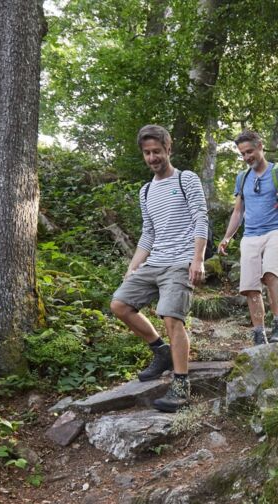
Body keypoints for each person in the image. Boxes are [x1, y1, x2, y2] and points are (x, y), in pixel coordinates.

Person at [109, 125, 209, 412]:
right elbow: (148, 233)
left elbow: (201, 219)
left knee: (171, 317)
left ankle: (181, 384)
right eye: (147, 153)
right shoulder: (146, 191)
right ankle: (160, 351)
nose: (152, 157)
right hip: (154, 262)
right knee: (119, 305)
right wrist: (133, 267)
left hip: (180, 262)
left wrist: (198, 258)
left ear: (168, 150)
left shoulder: (186, 179)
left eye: (157, 151)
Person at [217, 130, 278, 346]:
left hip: (275, 231)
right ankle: (258, 332)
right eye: (243, 154)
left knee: (271, 275)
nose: (247, 157)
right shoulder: (242, 177)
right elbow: (238, 211)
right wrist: (228, 237)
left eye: (249, 151)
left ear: (260, 146)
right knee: (250, 286)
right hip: (250, 236)